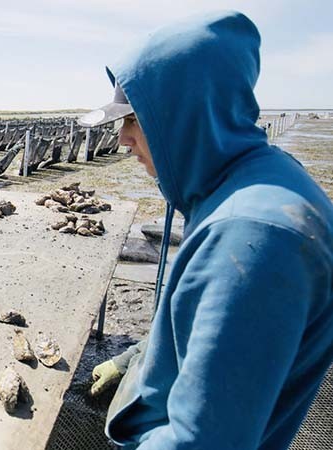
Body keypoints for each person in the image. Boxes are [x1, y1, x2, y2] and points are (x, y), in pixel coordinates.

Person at [78, 11, 333, 449]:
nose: (122, 138)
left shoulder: (253, 236)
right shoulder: (250, 184)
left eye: (134, 119)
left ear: (184, 113)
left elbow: (199, 440)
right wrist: (141, 357)